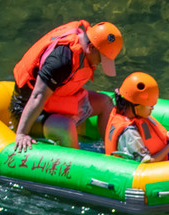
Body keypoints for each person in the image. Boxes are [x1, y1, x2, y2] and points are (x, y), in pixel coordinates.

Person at [10, 20, 124, 153]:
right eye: (101, 59)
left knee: (105, 102)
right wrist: (22, 133)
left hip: (53, 100)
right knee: (66, 126)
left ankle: (112, 154)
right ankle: (80, 165)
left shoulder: (84, 48)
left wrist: (80, 101)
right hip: (28, 110)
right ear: (91, 47)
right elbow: (37, 96)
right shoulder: (62, 60)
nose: (99, 64)